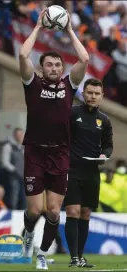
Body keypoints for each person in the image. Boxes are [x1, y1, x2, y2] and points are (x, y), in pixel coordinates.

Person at [19, 8, 89, 270]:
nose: (54, 68)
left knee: (53, 211)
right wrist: (38, 26)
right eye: (49, 64)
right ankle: (27, 234)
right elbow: (23, 54)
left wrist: (69, 29)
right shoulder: (32, 83)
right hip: (35, 152)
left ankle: (42, 253)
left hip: (60, 153)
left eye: (58, 64)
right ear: (42, 67)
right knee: (35, 210)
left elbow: (84, 58)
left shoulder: (69, 85)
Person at [64, 78, 113, 267]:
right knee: (73, 211)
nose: (92, 96)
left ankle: (81, 256)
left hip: (92, 171)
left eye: (96, 94)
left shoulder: (105, 120)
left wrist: (104, 155)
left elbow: (108, 145)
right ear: (83, 93)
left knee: (85, 213)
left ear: (101, 96)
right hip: (71, 170)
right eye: (89, 93)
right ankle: (73, 257)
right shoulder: (71, 113)